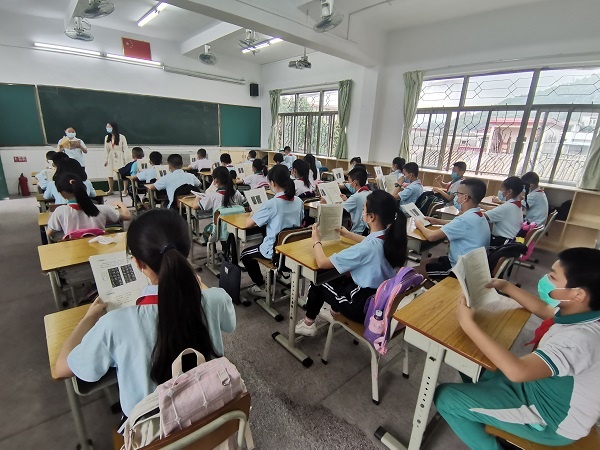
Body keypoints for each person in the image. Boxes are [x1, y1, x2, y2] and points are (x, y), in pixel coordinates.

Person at [55, 209, 236, 418]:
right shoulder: (216, 299)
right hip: (208, 413)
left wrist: (88, 318)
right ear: (185, 252)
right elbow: (229, 324)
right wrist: (198, 284)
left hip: (154, 430)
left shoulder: (113, 325)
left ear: (138, 263)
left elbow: (62, 368)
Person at [435, 247, 600, 450]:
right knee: (473, 357)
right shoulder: (584, 313)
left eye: (552, 277)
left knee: (446, 398)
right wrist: (505, 286)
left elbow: (518, 372)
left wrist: (468, 324)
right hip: (540, 388)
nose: (545, 279)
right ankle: (482, 404)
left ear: (578, 294)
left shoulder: (580, 340)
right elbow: (544, 309)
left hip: (549, 419)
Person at [295, 190, 408, 336]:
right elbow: (369, 242)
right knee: (339, 277)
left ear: (371, 217)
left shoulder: (367, 248)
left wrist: (316, 240)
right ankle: (333, 312)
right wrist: (347, 234)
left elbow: (322, 263)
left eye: (363, 210)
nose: (362, 213)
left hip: (361, 306)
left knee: (319, 282)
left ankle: (308, 324)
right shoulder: (391, 238)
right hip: (378, 299)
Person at [240, 165, 304, 298]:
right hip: (292, 250)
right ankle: (278, 274)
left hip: (274, 252)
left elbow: (248, 224)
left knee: (245, 254)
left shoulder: (271, 204)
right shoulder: (299, 201)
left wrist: (253, 214)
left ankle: (261, 286)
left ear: (273, 183)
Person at [415, 178, 491, 279]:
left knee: (416, 272)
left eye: (458, 193)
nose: (455, 197)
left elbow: (431, 237)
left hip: (459, 270)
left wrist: (419, 225)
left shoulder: (465, 220)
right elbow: (458, 224)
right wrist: (437, 221)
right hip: (471, 265)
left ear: (465, 197)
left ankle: (437, 288)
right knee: (424, 262)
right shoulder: (478, 215)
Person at [46, 171, 130, 241]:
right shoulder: (102, 209)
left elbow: (49, 233)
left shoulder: (60, 211)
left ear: (61, 194)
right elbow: (127, 216)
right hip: (100, 249)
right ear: (84, 189)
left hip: (73, 252)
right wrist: (120, 204)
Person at [484, 176, 524, 247]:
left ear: (509, 192)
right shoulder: (515, 204)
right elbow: (496, 210)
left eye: (502, 190)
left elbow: (483, 216)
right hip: (512, 242)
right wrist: (479, 205)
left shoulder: (507, 207)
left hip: (502, 243)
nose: (501, 192)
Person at [341, 167, 370, 234]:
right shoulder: (370, 193)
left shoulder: (355, 197)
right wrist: (347, 200)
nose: (349, 184)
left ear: (355, 183)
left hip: (357, 232)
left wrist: (325, 203)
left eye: (349, 182)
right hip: (366, 231)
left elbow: (339, 209)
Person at [104, 122, 128, 195]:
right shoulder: (107, 137)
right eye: (107, 127)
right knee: (110, 173)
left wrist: (126, 158)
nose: (108, 128)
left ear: (114, 127)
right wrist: (106, 159)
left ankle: (125, 190)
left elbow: (125, 148)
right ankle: (111, 189)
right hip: (111, 156)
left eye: (109, 127)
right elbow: (106, 149)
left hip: (120, 156)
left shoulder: (122, 137)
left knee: (123, 173)